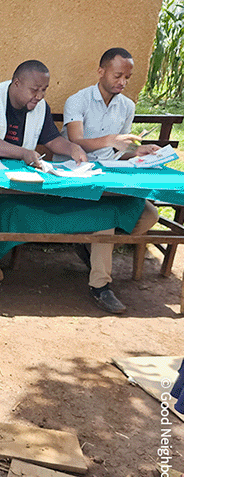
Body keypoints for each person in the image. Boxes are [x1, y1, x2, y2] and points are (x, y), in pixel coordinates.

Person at [0, 60, 150, 314]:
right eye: (34, 90)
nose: (39, 96)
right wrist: (24, 153)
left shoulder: (40, 107)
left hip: (8, 180)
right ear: (16, 83)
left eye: (44, 90)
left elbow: (52, 140)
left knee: (4, 210)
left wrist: (73, 148)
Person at [58, 47, 161, 313]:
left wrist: (135, 152)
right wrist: (111, 140)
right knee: (105, 219)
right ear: (101, 71)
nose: (123, 82)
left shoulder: (127, 106)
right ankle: (100, 286)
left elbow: (117, 151)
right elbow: (75, 141)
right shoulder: (78, 101)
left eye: (127, 77)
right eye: (118, 75)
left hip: (109, 177)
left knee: (150, 214)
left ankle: (92, 250)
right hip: (76, 176)